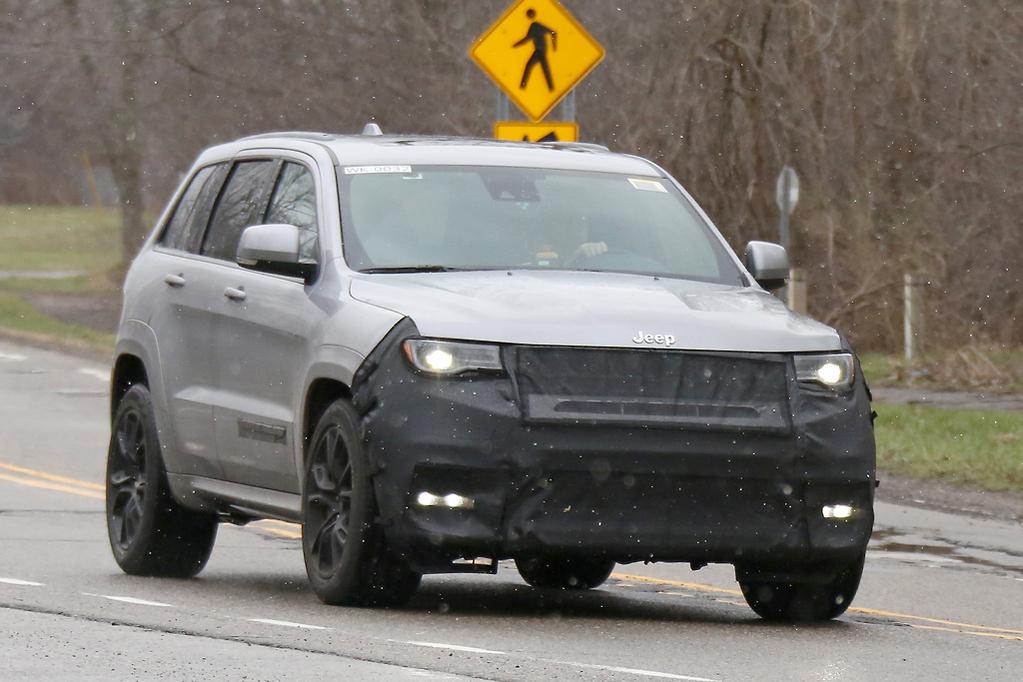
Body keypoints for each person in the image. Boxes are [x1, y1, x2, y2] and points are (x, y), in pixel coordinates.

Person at [513, 9, 557, 92]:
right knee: (532, 66)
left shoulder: (534, 26)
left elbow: (527, 39)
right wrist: (553, 45)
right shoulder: (537, 25)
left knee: (542, 69)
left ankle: (551, 88)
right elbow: (553, 32)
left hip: (540, 51)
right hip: (539, 50)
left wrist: (515, 45)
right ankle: (523, 87)